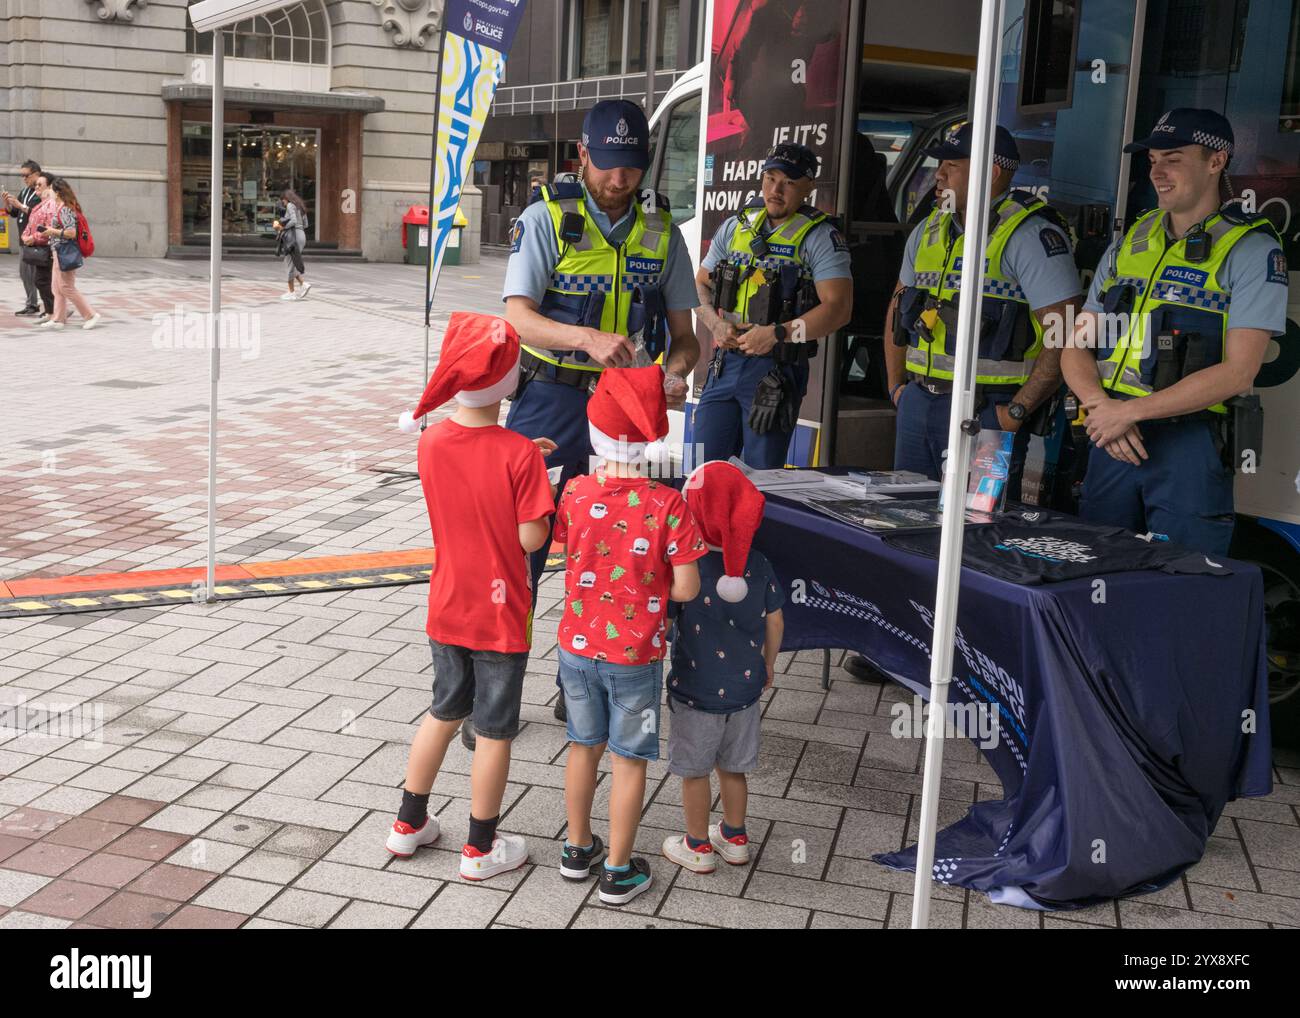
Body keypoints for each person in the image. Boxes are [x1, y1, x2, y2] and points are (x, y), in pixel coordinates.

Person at [497, 97, 701, 736]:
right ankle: (497, 697)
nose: (620, 180)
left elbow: (685, 334)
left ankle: (580, 684)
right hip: (551, 402)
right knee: (521, 549)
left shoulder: (661, 231)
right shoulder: (546, 219)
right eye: (609, 165)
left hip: (628, 417)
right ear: (582, 154)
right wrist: (584, 340)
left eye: (632, 167)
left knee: (616, 548)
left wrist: (678, 371)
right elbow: (517, 315)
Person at [1061, 109, 1288, 556]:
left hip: (1188, 444)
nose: (1157, 172)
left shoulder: (1251, 249)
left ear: (1216, 161)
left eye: (1174, 159)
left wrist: (1132, 413)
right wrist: (1101, 406)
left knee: (1181, 582)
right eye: (1152, 160)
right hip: (1111, 434)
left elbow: (1240, 372)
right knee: (1090, 573)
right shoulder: (1131, 241)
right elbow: (1075, 345)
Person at [386, 312, 557, 881]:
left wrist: (518, 457)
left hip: (447, 603)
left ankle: (408, 824)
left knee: (442, 710)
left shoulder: (432, 440)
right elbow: (530, 536)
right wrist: (536, 479)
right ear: (511, 382)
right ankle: (481, 848)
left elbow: (471, 468)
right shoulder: (521, 456)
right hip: (502, 613)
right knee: (494, 729)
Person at [553, 366, 706, 904]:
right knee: (628, 759)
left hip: (575, 648)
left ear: (592, 433)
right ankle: (618, 870)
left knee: (581, 746)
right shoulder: (669, 505)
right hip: (635, 656)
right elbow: (685, 590)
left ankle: (576, 849)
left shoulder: (573, 491)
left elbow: (565, 550)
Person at [884, 123, 1081, 496]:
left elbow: (1065, 334)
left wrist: (1015, 414)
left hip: (987, 412)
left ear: (990, 172)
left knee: (973, 530)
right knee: (904, 517)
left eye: (952, 166)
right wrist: (897, 389)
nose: (938, 175)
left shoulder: (1029, 236)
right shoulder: (928, 230)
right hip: (918, 403)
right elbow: (897, 310)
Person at [691, 141, 853, 468]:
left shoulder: (819, 237)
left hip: (775, 371)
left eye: (789, 182)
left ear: (808, 187)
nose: (775, 190)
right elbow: (697, 285)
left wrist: (778, 334)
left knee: (761, 481)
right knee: (700, 470)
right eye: (770, 178)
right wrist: (714, 323)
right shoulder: (737, 226)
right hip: (725, 364)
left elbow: (838, 309)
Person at [660, 460, 783, 875]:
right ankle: (734, 837)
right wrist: (768, 664)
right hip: (746, 690)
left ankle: (696, 845)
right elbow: (776, 620)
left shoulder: (686, 566)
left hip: (695, 689)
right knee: (733, 768)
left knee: (694, 773)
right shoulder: (762, 563)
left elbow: (666, 617)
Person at [37, 177, 101, 332]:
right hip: (57, 252)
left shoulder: (65, 209)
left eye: (51, 189)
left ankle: (91, 315)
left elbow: (71, 233)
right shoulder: (60, 207)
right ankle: (58, 319)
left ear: (58, 192)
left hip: (65, 252)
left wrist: (52, 231)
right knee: (56, 288)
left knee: (66, 287)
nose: (49, 192)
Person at [2, 160, 45, 316]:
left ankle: (52, 306)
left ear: (36, 174)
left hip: (37, 240)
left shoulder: (42, 192)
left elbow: (39, 213)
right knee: (24, 273)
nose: (24, 178)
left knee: (39, 276)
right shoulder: (25, 191)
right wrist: (8, 204)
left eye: (26, 175)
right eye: (22, 176)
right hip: (24, 239)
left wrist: (20, 206)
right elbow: (14, 213)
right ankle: (32, 303)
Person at [19, 171, 56, 323]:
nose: (36, 188)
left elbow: (49, 229)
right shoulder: (38, 206)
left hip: (48, 249)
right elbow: (29, 226)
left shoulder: (51, 206)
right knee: (41, 281)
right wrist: (25, 236)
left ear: (50, 187)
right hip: (38, 248)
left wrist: (32, 238)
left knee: (44, 281)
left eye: (40, 185)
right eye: (36, 185)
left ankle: (54, 312)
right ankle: (51, 312)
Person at [274, 188, 311, 300]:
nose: (284, 203)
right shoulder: (300, 207)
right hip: (301, 236)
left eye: (283, 201)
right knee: (292, 262)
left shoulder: (290, 205)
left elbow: (294, 221)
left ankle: (292, 292)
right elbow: (305, 224)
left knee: (289, 263)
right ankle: (302, 284)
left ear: (286, 199)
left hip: (293, 237)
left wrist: (283, 227)